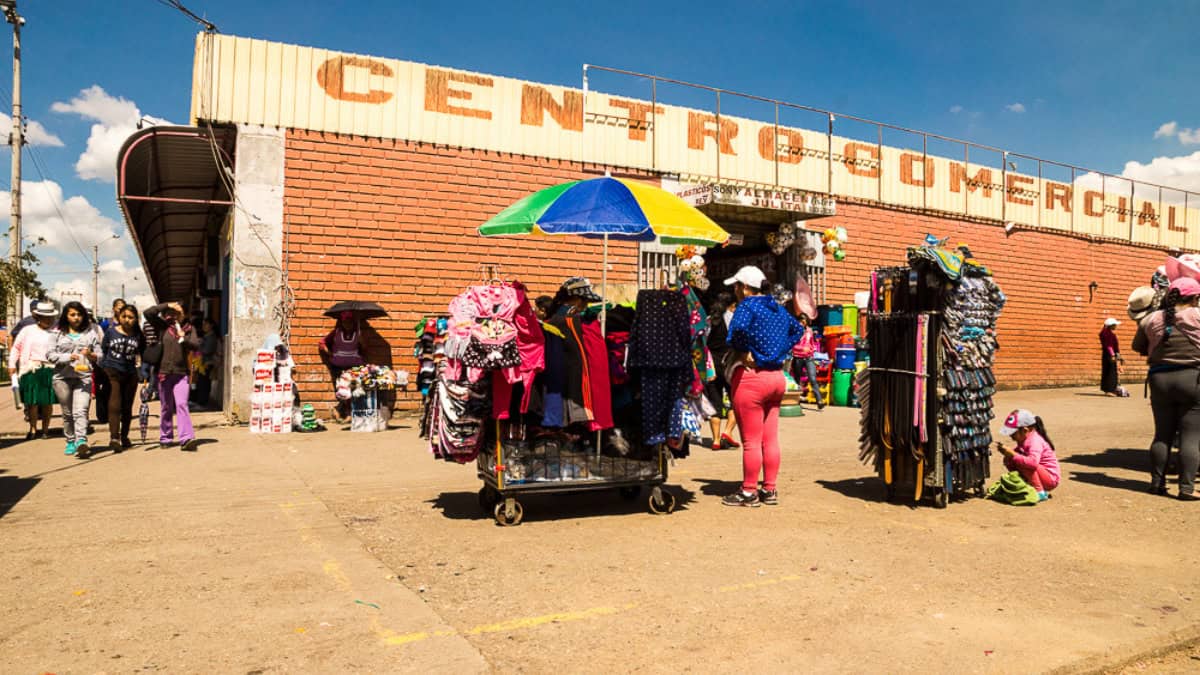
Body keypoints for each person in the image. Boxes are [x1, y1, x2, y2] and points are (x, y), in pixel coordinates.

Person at [721, 265, 802, 508]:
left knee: (752, 442)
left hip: (752, 378)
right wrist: (777, 350)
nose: (735, 291)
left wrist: (746, 350)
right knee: (770, 439)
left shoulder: (746, 306)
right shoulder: (777, 306)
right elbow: (797, 329)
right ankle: (769, 489)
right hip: (777, 378)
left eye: (736, 286)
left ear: (746, 288)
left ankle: (748, 492)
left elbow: (736, 332)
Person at [1132, 277, 1200, 500]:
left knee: (1162, 434)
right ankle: (1186, 489)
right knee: (1191, 435)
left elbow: (1138, 346)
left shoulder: (1151, 319)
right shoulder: (1198, 316)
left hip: (1160, 379)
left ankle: (1157, 483)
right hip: (1193, 379)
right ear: (1195, 297)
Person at [47, 301, 102, 458]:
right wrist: (67, 357)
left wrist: (91, 355)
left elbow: (100, 356)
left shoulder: (90, 333)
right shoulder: (56, 333)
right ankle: (70, 440)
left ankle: (81, 441)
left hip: (83, 378)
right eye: (72, 314)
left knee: (81, 410)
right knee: (67, 412)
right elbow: (50, 355)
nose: (76, 318)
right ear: (66, 316)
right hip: (62, 378)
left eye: (79, 314)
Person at [145, 302, 201, 451]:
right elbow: (148, 313)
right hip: (163, 373)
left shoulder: (189, 329)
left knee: (182, 404)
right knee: (166, 407)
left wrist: (185, 339)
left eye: (177, 312)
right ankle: (166, 437)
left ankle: (186, 438)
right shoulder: (162, 326)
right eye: (170, 312)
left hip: (181, 373)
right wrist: (166, 305)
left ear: (184, 314)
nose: (173, 315)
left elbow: (195, 346)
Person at [8, 301, 59, 439]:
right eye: (44, 317)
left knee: (47, 401)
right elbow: (16, 348)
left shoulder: (57, 332)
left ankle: (45, 430)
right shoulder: (27, 330)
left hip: (49, 368)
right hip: (31, 368)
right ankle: (33, 428)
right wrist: (11, 364)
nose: (48, 320)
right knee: (32, 402)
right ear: (38, 317)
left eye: (50, 317)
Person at [98, 304, 144, 452]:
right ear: (119, 317)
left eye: (131, 317)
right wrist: (104, 369)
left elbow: (143, 353)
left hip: (130, 373)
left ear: (136, 319)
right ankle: (114, 437)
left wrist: (145, 374)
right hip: (113, 371)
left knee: (127, 406)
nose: (127, 320)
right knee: (115, 403)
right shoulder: (111, 333)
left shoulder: (138, 334)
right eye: (124, 316)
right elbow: (103, 350)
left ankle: (124, 436)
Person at [996, 409, 1061, 502]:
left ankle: (1039, 492)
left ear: (1025, 430)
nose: (1011, 436)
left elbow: (1033, 463)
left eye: (1013, 433)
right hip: (1041, 476)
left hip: (1050, 479)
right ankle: (1030, 486)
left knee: (1023, 461)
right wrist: (1007, 456)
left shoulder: (1035, 441)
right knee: (1015, 460)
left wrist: (1013, 454)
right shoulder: (1024, 440)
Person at [705, 292, 739, 450]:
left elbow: (702, 343)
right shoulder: (733, 319)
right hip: (729, 366)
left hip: (711, 366)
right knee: (736, 401)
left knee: (715, 403)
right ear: (731, 305)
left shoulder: (708, 321)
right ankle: (727, 432)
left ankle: (716, 441)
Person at [319, 310, 366, 421]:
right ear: (341, 322)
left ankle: (345, 412)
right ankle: (343, 411)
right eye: (345, 322)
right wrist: (330, 353)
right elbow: (322, 343)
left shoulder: (358, 333)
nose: (347, 324)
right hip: (338, 366)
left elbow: (365, 348)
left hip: (354, 367)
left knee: (353, 390)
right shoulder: (336, 333)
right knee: (342, 390)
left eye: (350, 322)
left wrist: (362, 341)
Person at [94, 298, 126, 425]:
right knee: (105, 388)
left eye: (123, 307)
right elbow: (100, 341)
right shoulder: (106, 324)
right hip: (107, 361)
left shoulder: (128, 323)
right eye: (119, 307)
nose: (121, 310)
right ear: (113, 309)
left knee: (121, 389)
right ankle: (102, 415)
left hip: (123, 361)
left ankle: (120, 413)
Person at [790, 312, 824, 410]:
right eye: (800, 321)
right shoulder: (795, 331)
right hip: (797, 357)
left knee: (812, 378)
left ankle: (819, 401)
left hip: (809, 357)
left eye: (803, 321)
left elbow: (813, 343)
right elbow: (792, 344)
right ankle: (796, 401)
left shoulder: (810, 331)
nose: (802, 323)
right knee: (797, 380)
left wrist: (812, 350)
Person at [191, 317, 219, 408]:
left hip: (207, 363)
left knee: (204, 383)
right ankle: (199, 401)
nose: (204, 326)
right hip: (202, 363)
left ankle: (202, 403)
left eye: (206, 324)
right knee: (201, 383)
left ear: (211, 325)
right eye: (203, 324)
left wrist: (199, 346)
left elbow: (207, 350)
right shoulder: (206, 336)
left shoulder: (211, 337)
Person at [1099, 317, 1126, 396]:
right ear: (1111, 325)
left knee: (1108, 371)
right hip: (1109, 355)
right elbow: (1109, 346)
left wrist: (1119, 357)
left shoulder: (1106, 333)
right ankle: (1109, 390)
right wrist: (1113, 355)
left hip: (1108, 354)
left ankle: (1108, 389)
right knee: (1111, 373)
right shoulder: (1108, 334)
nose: (1116, 326)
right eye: (1115, 325)